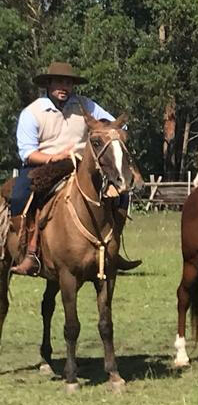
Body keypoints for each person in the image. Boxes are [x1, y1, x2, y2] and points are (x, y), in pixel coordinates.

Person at [10, 62, 140, 276]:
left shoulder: (86, 106)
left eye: (68, 82)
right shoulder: (32, 113)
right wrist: (55, 157)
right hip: (44, 164)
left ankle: (112, 248)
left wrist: (110, 132)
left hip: (82, 163)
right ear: (48, 84)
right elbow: (27, 153)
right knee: (19, 197)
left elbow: (116, 125)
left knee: (121, 193)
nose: (64, 87)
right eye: (59, 82)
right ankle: (29, 252)